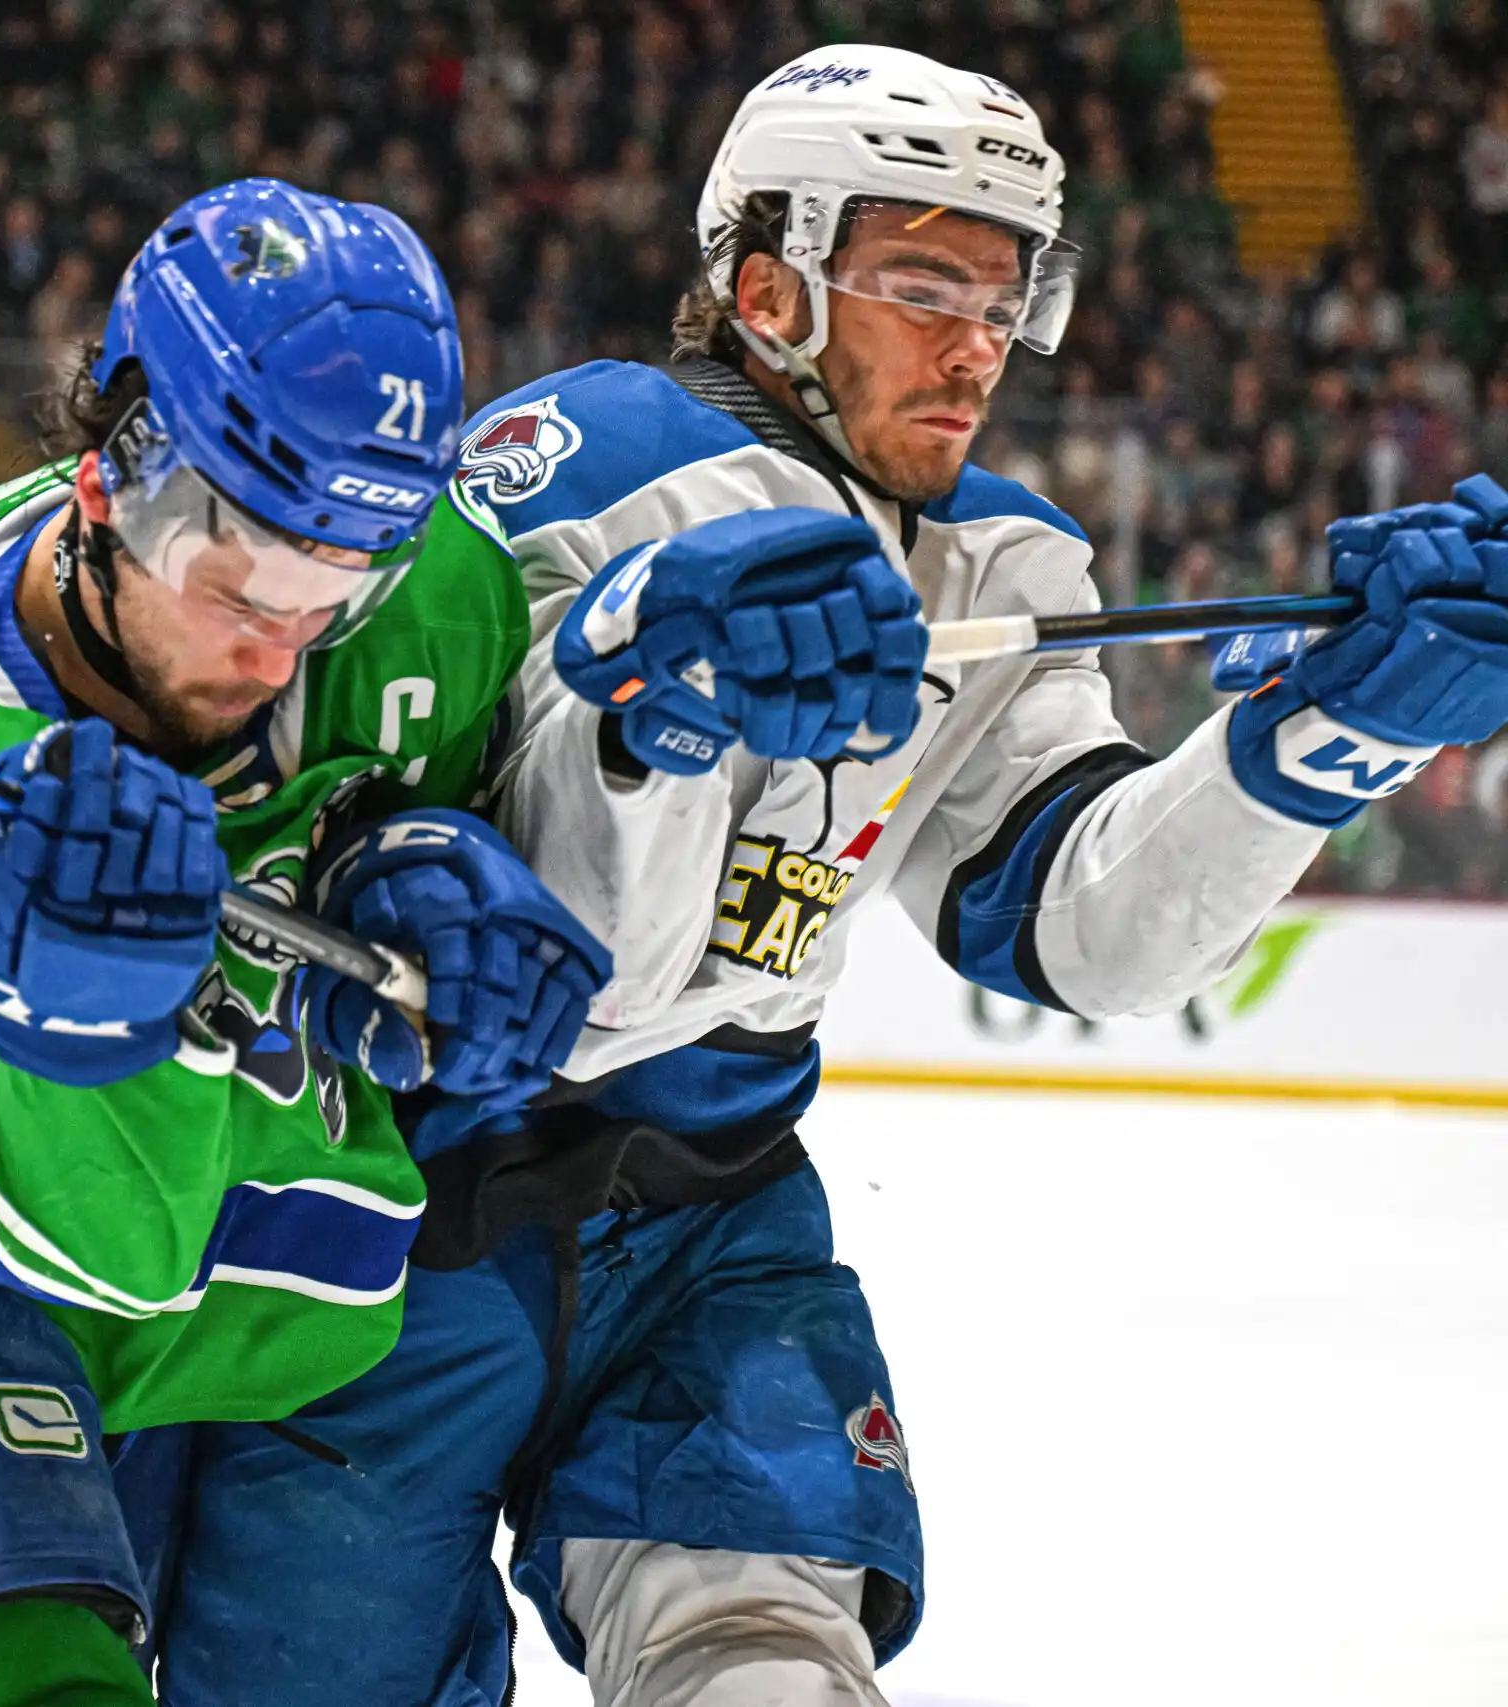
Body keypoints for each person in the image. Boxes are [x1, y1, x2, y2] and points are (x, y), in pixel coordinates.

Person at [137, 46, 1508, 1707]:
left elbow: (1078, 928)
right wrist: (647, 703)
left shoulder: (998, 554)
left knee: (769, 1672)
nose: (978, 350)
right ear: (771, 280)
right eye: (927, 287)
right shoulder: (570, 470)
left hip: (714, 1220)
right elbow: (534, 967)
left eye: (1010, 301)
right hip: (378, 1234)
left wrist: (1317, 742)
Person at [0, 179, 608, 1707]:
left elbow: (421, 832)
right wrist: (85, 1030)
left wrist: (409, 865)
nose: (279, 641)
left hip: (243, 1296)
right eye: (236, 582)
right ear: (111, 478)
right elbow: (49, 1237)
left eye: (334, 589)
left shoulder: (430, 601)